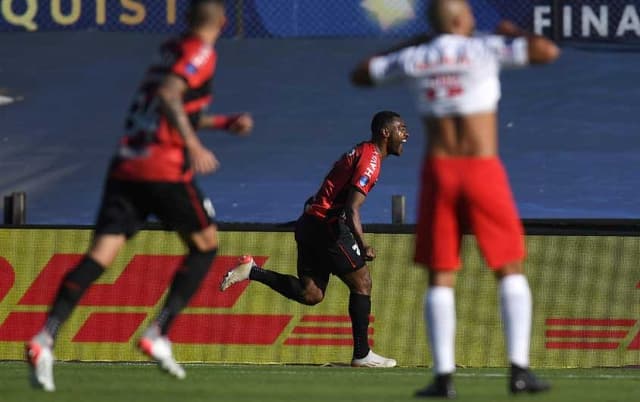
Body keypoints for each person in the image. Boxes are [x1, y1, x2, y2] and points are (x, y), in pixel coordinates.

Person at [26, 0, 253, 392]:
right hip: (162, 168)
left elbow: (169, 104)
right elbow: (169, 96)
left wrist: (222, 122)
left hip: (126, 166)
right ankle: (158, 333)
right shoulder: (201, 51)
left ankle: (45, 338)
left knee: (100, 256)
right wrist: (193, 145)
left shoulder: (170, 51)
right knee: (205, 245)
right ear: (220, 21)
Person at [351, 0, 559, 398]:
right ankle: (519, 370)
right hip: (482, 169)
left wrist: (414, 45)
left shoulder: (419, 56)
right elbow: (548, 51)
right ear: (463, 19)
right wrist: (513, 34)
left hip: (440, 172)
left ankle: (444, 378)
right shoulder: (484, 48)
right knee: (509, 268)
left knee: (440, 274)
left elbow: (361, 74)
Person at [220, 111, 408, 368]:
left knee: (311, 294)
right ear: (386, 133)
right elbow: (353, 208)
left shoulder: (361, 152)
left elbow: (331, 185)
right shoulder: (371, 161)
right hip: (326, 227)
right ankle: (362, 354)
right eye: (401, 129)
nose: (405, 135)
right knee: (362, 282)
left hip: (309, 224)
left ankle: (252, 271)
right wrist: (363, 245)